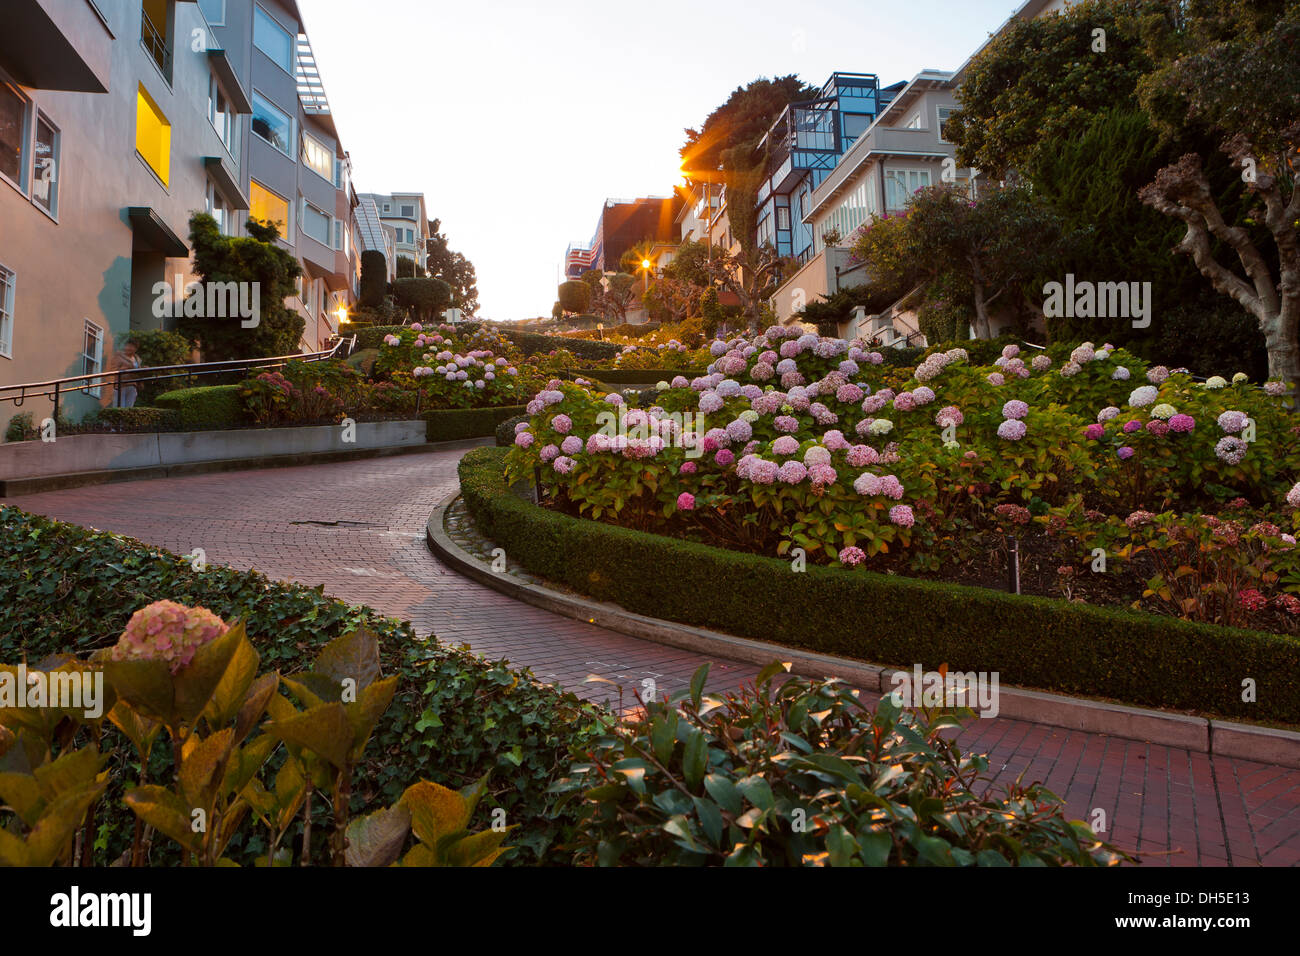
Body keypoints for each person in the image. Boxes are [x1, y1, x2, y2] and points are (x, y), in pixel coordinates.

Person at [110, 338, 142, 408]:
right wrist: (124, 369)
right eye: (127, 346)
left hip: (132, 386)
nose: (128, 348)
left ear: (135, 349)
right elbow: (113, 370)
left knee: (129, 409)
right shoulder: (119, 356)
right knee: (119, 408)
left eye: (131, 346)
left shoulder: (137, 359)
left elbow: (138, 372)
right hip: (121, 385)